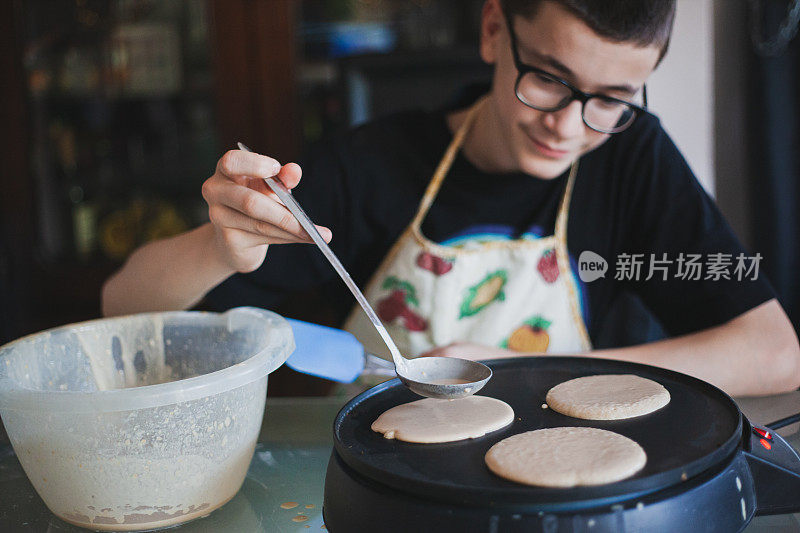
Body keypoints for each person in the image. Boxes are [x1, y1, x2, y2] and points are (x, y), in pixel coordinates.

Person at [103, 0, 800, 396]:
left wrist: (530, 367)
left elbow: (775, 353)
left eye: (611, 99)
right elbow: (121, 305)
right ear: (494, 30)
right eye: (550, 80)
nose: (567, 125)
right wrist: (218, 242)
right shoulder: (374, 163)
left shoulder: (630, 155)